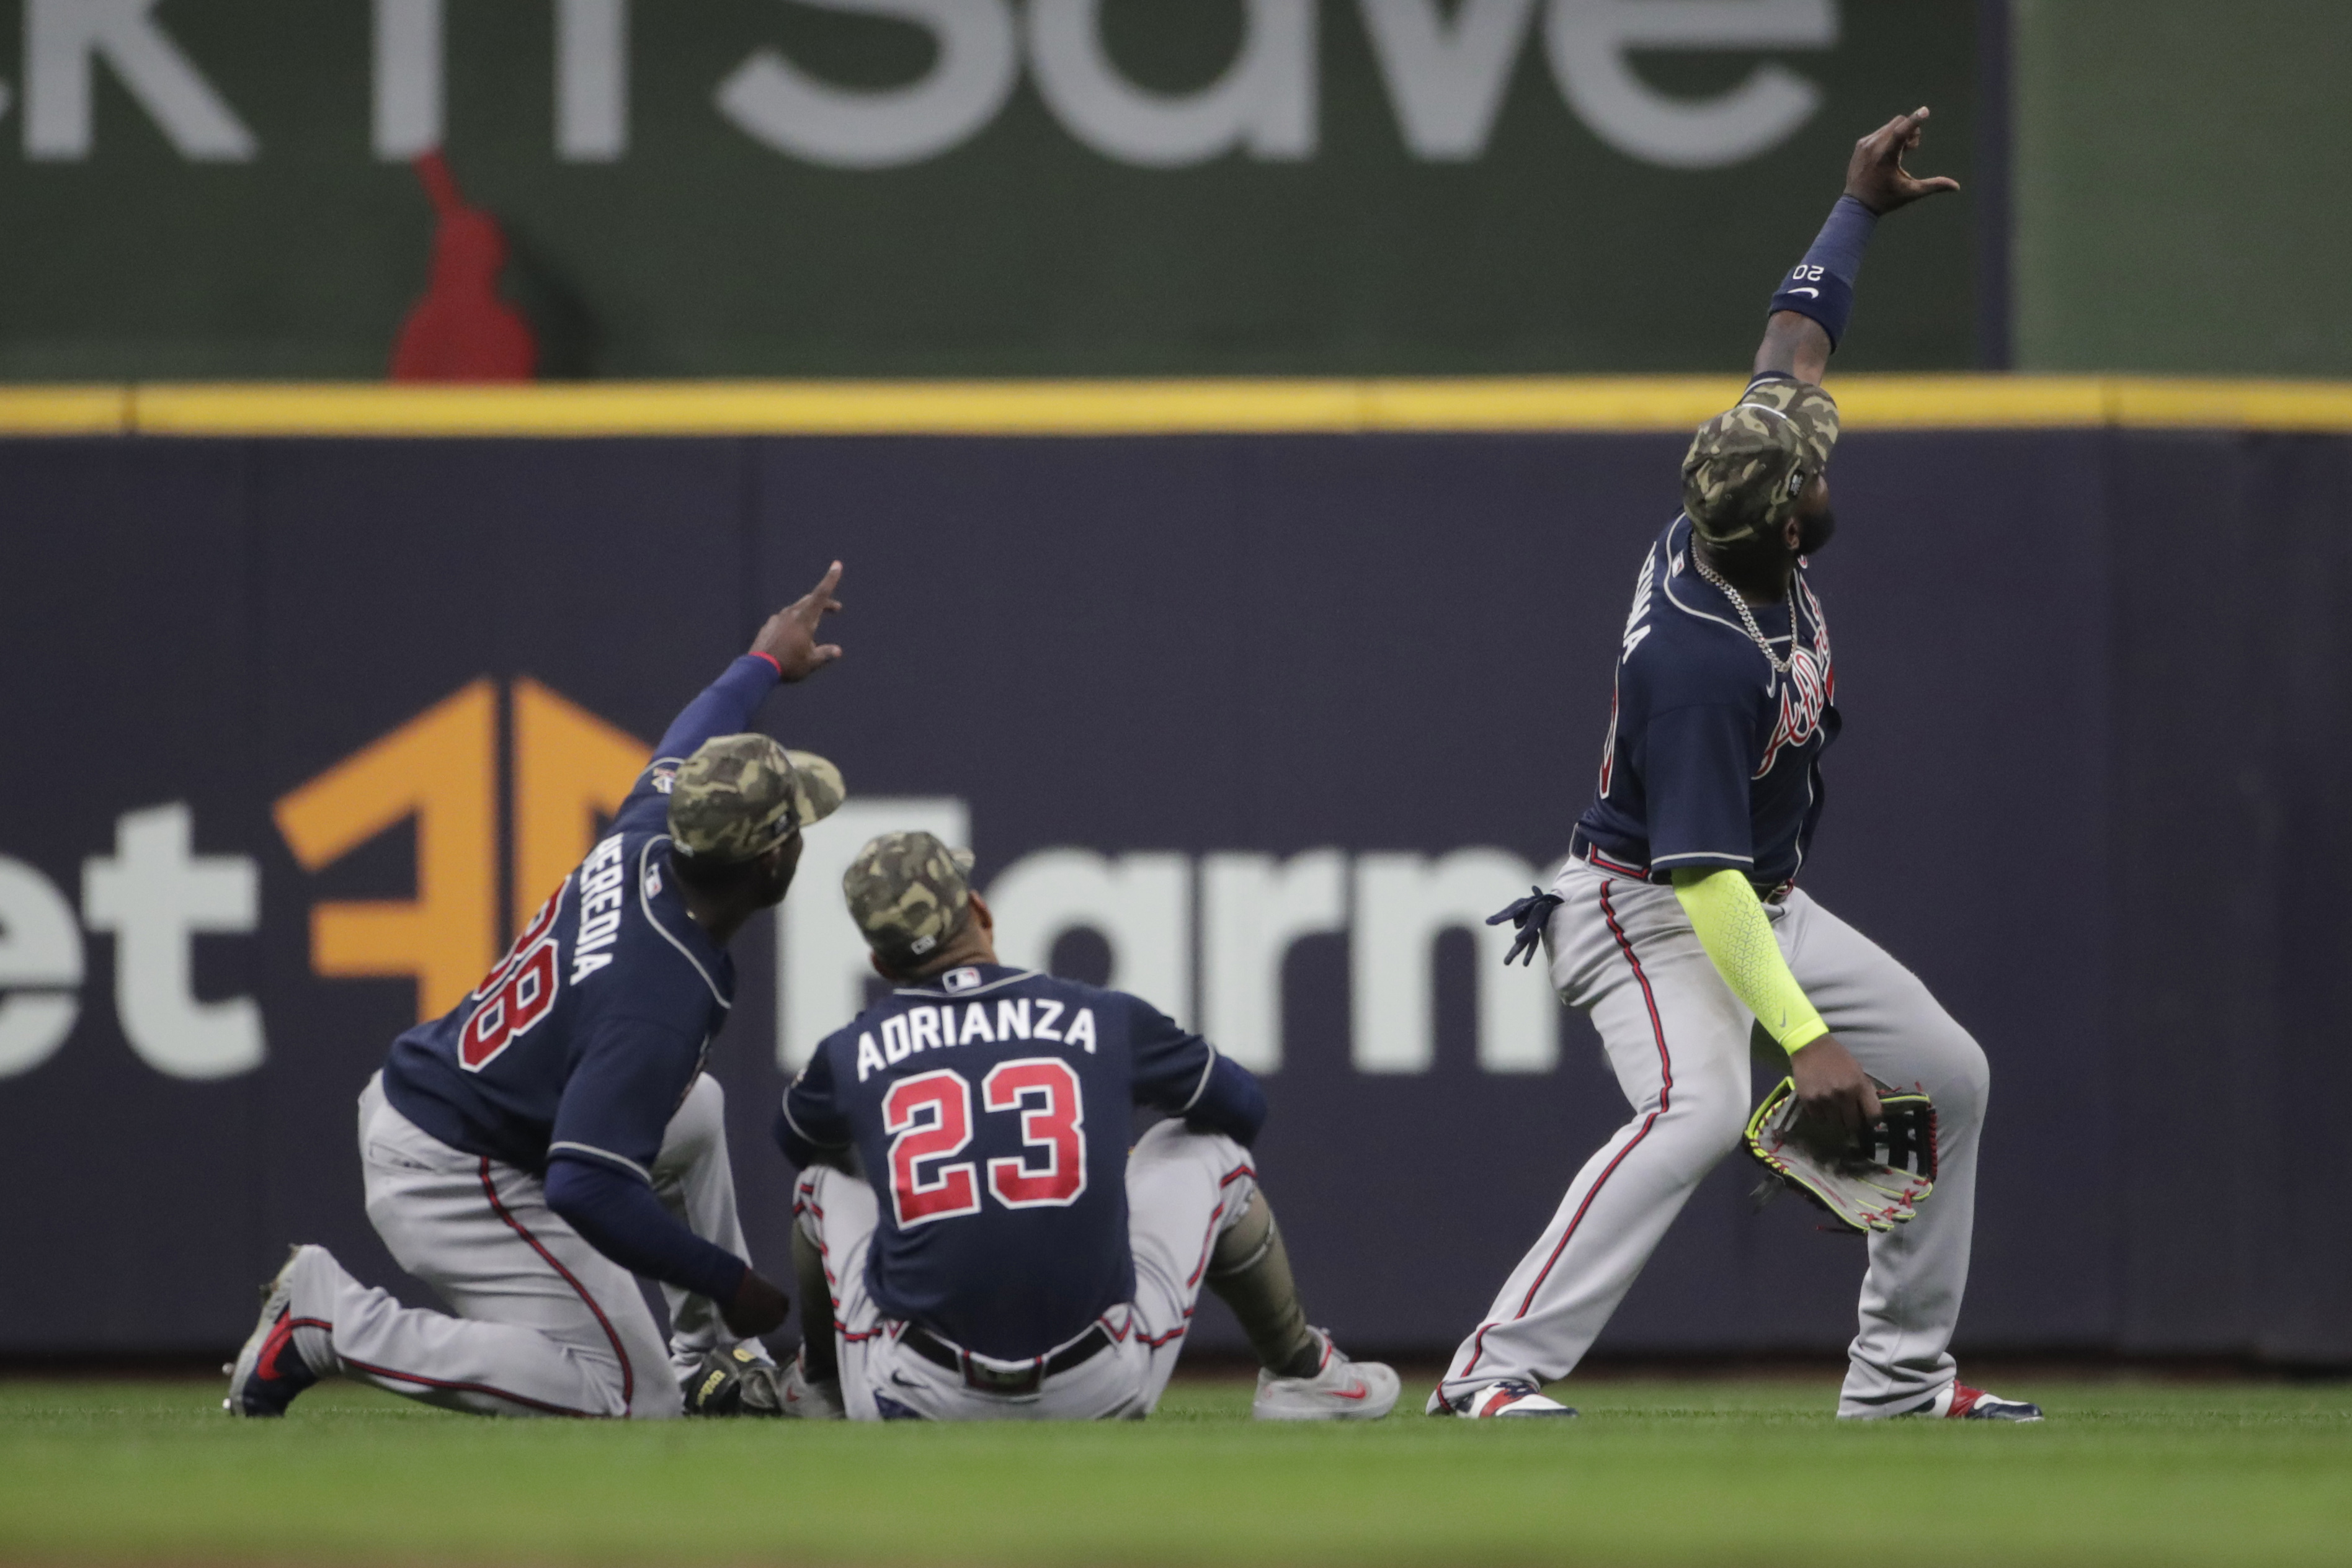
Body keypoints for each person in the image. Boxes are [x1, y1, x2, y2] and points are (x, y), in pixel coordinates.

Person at [1433, 112, 2041, 1422]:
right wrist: (1806, 1044)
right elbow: (1700, 877)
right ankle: (1489, 1371)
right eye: (1813, 471)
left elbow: (1793, 345)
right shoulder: (1701, 662)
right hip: (1642, 906)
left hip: (1754, 898)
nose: (1828, 458)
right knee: (1701, 1107)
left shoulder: (1740, 497)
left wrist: (1858, 211)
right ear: (1780, 519)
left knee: (1956, 1069)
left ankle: (1896, 1380)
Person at [224, 565, 853, 1419]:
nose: (800, 842)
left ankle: (712, 1362)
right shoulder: (661, 990)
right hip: (454, 1172)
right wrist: (728, 1280)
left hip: (459, 1102)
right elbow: (584, 1188)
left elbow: (694, 731)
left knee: (691, 1111)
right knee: (629, 1395)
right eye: (793, 830)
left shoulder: (653, 835)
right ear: (767, 860)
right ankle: (331, 1322)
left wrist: (762, 663)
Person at [771, 832, 1399, 1422]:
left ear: (880, 960)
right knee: (1214, 1150)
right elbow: (1242, 1107)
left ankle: (819, 1385)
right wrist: (1095, 1154)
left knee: (823, 1178)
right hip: (1099, 1385)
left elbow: (797, 1138)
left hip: (914, 1391)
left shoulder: (851, 1051)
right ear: (981, 911)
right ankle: (1301, 1373)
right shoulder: (1103, 1015)